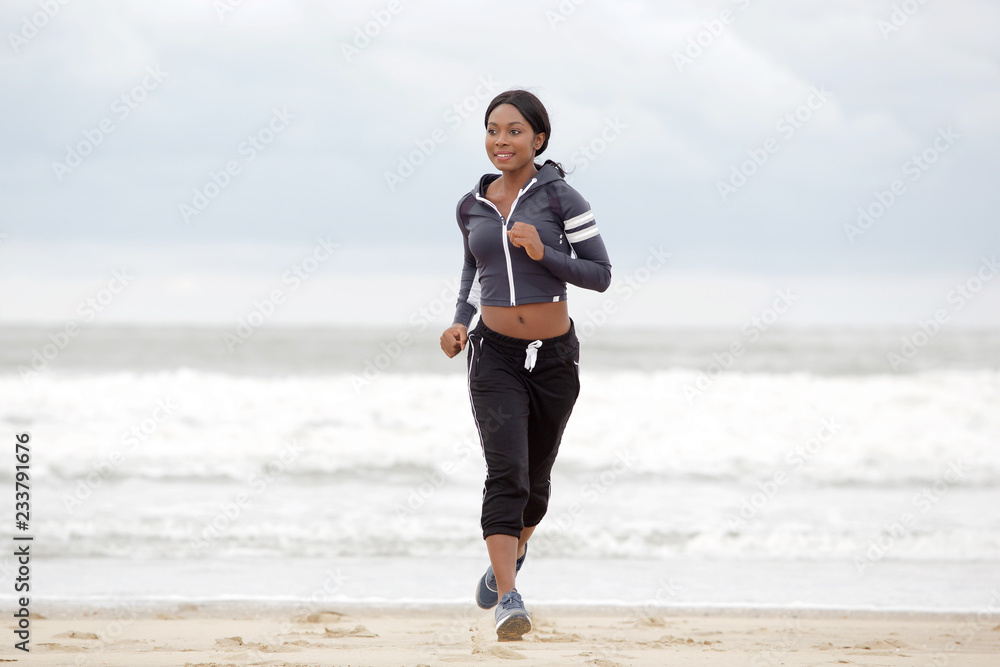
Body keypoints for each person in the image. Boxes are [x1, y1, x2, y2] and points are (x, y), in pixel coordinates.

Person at [439, 89, 612, 641]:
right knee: (506, 471)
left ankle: (509, 558)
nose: (501, 141)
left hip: (555, 356)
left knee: (536, 481)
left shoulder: (563, 200)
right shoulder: (472, 204)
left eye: (514, 131)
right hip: (494, 355)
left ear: (538, 139)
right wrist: (460, 320)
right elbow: (473, 273)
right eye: (493, 130)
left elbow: (600, 273)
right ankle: (509, 599)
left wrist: (544, 254)